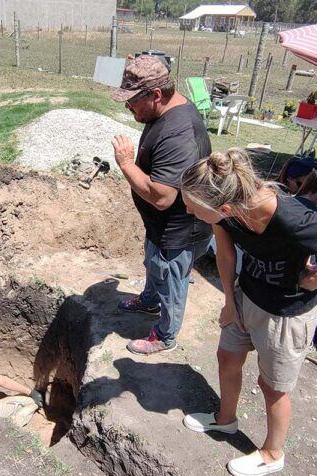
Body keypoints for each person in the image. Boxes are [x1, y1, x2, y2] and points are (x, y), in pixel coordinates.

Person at [179, 149, 317, 476]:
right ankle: (226, 419)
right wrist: (229, 299)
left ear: (225, 208)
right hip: (247, 296)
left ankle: (272, 454)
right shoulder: (226, 210)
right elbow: (226, 255)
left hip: (287, 314)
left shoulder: (296, 221)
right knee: (227, 357)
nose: (187, 209)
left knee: (272, 386)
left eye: (191, 206)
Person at [110, 55, 213, 355]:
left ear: (156, 94)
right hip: (161, 227)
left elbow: (162, 197)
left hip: (180, 231)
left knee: (171, 281)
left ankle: (165, 336)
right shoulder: (164, 112)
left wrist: (127, 164)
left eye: (132, 101)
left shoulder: (179, 134)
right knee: (154, 265)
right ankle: (149, 300)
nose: (127, 107)